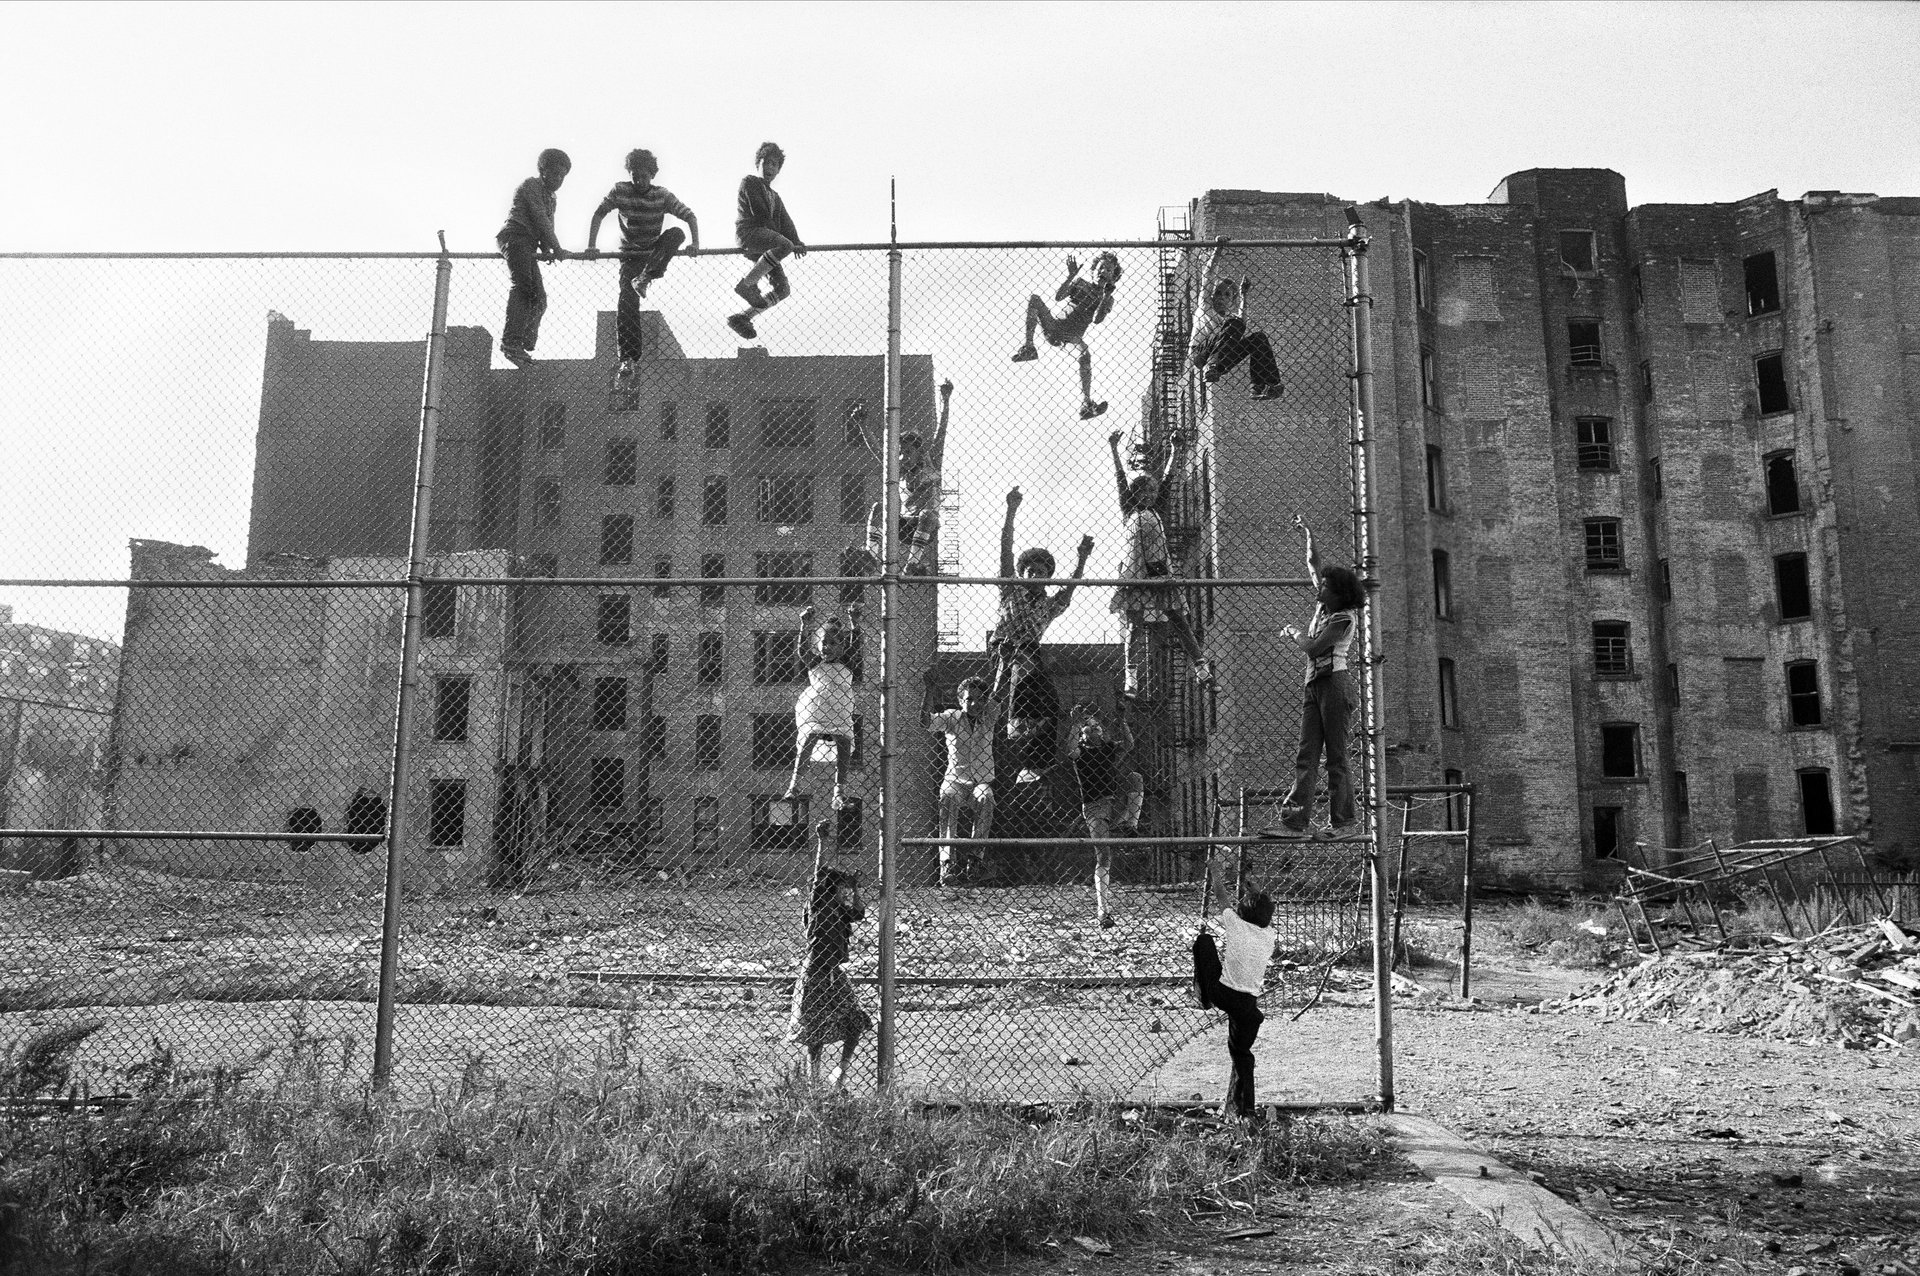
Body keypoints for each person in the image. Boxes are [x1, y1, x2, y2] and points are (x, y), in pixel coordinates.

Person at [1267, 515, 1368, 838]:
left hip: (1335, 686)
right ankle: (1294, 823)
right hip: (1314, 687)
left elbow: (1313, 648)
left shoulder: (1342, 618)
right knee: (1306, 755)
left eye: (1326, 585)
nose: (1319, 586)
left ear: (1338, 593)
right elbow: (1314, 564)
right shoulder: (1325, 608)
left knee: (1336, 758)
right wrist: (1309, 534)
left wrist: (1295, 632)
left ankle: (1345, 823)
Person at [990, 486, 1093, 784]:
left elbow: (1071, 587)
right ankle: (1013, 724)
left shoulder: (1048, 606)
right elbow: (1005, 550)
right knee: (1023, 676)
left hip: (1029, 653)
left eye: (1041, 571)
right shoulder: (1011, 590)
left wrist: (1082, 557)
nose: (1035, 575)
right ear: (1022, 574)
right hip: (1005, 647)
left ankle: (1037, 760)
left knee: (1050, 701)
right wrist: (1011, 510)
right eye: (1030, 571)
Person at [1108, 430, 1211, 701]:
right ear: (1134, 493)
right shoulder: (1130, 510)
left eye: (1151, 491)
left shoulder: (1159, 510)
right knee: (1134, 624)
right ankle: (1131, 677)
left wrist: (1175, 451)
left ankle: (1200, 666)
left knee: (1177, 617)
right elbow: (1120, 479)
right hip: (1135, 573)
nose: (1149, 494)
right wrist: (1115, 450)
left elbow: (1168, 481)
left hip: (1159, 570)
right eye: (1142, 490)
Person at [585, 149, 699, 386]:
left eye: (644, 176)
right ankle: (627, 360)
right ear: (630, 174)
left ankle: (645, 277)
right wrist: (591, 246)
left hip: (653, 251)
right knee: (626, 300)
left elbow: (689, 216)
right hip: (630, 255)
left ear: (652, 175)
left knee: (676, 233)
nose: (639, 181)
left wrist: (695, 243)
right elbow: (599, 213)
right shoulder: (620, 190)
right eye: (635, 175)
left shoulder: (662, 195)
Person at [788, 819, 870, 1088]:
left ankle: (839, 1074)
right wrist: (823, 842)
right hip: (815, 974)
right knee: (814, 1032)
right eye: (842, 889)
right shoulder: (819, 909)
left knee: (855, 1022)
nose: (846, 894)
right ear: (830, 891)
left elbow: (859, 911)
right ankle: (814, 1079)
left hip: (834, 974)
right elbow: (820, 874)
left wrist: (854, 887)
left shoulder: (841, 912)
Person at [853, 380, 952, 577]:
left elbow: (941, 432)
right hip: (905, 524)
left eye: (907, 452)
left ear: (919, 452)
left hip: (926, 526)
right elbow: (877, 450)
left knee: (927, 515)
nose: (903, 457)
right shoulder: (899, 471)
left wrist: (945, 401)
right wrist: (862, 425)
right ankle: (872, 555)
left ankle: (912, 564)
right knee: (878, 507)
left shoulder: (931, 462)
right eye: (900, 453)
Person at [1195, 879, 1276, 1122]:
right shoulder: (1269, 935)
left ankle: (1204, 996)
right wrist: (1254, 889)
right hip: (1247, 1004)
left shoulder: (1235, 925)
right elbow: (1258, 908)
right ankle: (1245, 1111)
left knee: (1204, 942)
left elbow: (1221, 898)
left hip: (1222, 992)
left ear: (1240, 913)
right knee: (1242, 1056)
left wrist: (1217, 874)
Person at [1011, 252, 1122, 420]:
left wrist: (1106, 295)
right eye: (1101, 267)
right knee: (1034, 299)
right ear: (1093, 270)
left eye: (1109, 270)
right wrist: (1071, 276)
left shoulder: (1107, 298)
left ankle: (1086, 404)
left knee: (1085, 353)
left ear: (1113, 278)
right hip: (1055, 326)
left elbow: (1097, 320)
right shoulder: (1080, 283)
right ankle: (1029, 347)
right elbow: (1058, 297)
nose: (1104, 271)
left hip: (1072, 338)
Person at [1066, 702, 1144, 929]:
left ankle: (1131, 825)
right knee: (1104, 856)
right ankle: (1103, 910)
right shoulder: (1081, 752)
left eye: (1097, 726)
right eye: (1088, 728)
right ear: (1083, 734)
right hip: (1094, 806)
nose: (1094, 729)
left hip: (1114, 800)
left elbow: (1129, 744)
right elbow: (1069, 750)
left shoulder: (1108, 747)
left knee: (1135, 777)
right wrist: (1074, 724)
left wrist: (1122, 720)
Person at [496, 149, 574, 368]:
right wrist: (557, 248)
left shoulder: (552, 198)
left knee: (539, 298)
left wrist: (548, 248)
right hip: (515, 236)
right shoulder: (531, 186)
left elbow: (548, 223)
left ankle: (524, 342)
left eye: (562, 176)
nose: (558, 180)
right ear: (542, 171)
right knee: (523, 286)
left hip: (529, 244)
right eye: (554, 174)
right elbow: (539, 217)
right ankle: (511, 342)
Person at [925, 672, 1001, 886]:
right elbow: (925, 722)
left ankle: (976, 859)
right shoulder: (952, 717)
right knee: (947, 797)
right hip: (956, 780)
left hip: (981, 781)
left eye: (980, 699)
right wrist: (929, 690)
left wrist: (1003, 664)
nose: (974, 704)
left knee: (986, 797)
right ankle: (947, 863)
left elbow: (998, 693)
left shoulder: (989, 716)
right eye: (969, 699)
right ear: (960, 701)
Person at [786, 604, 862, 812]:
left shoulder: (847, 663)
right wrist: (805, 625)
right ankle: (795, 784)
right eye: (822, 643)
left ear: (841, 646)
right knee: (809, 737)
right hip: (816, 710)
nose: (826, 647)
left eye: (832, 643)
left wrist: (854, 622)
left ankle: (839, 791)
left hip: (840, 711)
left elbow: (856, 646)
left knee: (844, 743)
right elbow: (802, 650)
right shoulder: (815, 663)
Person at [1188, 239, 1284, 401]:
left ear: (1232, 301)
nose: (1221, 297)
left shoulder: (1230, 319)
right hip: (1200, 355)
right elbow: (1208, 275)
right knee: (1234, 324)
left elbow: (1242, 323)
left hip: (1221, 361)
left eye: (1227, 295)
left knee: (1258, 338)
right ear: (1212, 295)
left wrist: (1244, 295)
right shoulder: (1205, 306)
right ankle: (1212, 365)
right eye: (1218, 293)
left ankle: (1264, 385)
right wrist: (1218, 249)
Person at [728, 142, 805, 340]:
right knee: (784, 245)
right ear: (758, 164)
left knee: (783, 289)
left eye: (774, 165)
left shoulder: (775, 196)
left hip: (768, 245)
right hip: (750, 233)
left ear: (779, 170)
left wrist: (797, 240)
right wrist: (787, 240)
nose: (770, 168)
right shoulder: (750, 182)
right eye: (766, 163)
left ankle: (743, 317)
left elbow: (786, 221)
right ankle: (747, 284)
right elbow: (759, 212)